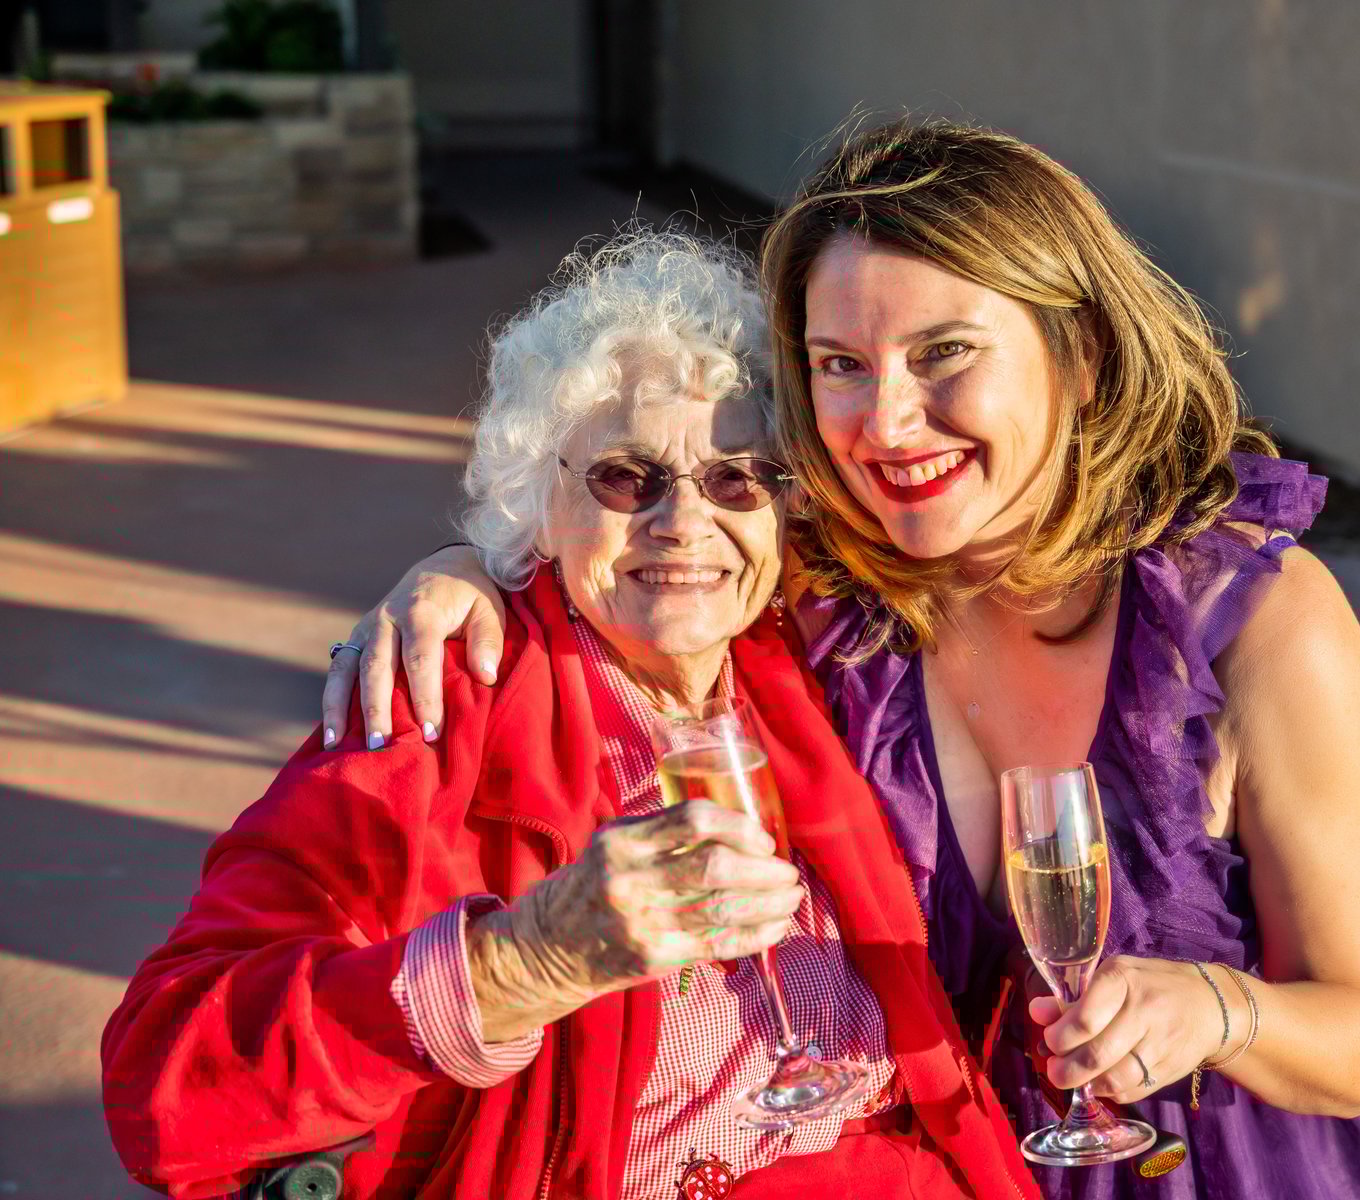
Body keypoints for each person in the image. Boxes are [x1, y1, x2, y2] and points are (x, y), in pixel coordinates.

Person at [324, 121, 1360, 1199]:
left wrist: (1218, 1012)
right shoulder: (838, 599)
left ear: (1077, 352)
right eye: (841, 363)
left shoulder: (1252, 627)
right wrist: (467, 568)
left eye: (944, 353)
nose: (887, 422)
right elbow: (639, 547)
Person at [100, 232, 1038, 1200]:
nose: (684, 523)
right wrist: (524, 962)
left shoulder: (817, 662)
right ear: (536, 503)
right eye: (626, 477)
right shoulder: (440, 702)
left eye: (737, 477)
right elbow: (162, 1086)